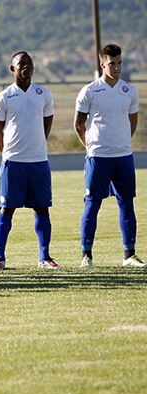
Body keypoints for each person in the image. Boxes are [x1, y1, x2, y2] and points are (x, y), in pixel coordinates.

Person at [74, 43, 144, 268]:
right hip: (98, 158)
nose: (116, 68)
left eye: (119, 63)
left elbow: (132, 122)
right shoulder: (90, 91)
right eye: (111, 64)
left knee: (127, 205)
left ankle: (129, 255)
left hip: (123, 157)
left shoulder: (129, 91)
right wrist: (91, 147)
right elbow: (79, 123)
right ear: (102, 64)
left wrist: (121, 142)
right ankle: (87, 255)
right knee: (92, 205)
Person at [0, 51, 61, 271]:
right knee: (6, 209)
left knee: (42, 209)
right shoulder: (4, 97)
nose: (26, 67)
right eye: (21, 63)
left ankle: (45, 257)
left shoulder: (43, 94)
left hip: (39, 162)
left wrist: (36, 146)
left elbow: (46, 124)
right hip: (13, 162)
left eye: (29, 63)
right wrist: (8, 153)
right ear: (12, 68)